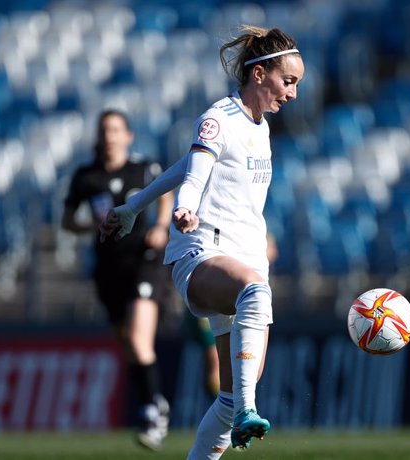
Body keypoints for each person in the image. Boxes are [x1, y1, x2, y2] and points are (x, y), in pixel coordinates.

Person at [99, 25, 304, 458]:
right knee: (254, 292)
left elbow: (183, 163)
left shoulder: (259, 126)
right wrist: (185, 206)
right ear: (260, 74)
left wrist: (134, 205)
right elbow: (194, 174)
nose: (294, 94)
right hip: (204, 252)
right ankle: (250, 408)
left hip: (246, 257)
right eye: (289, 81)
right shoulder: (218, 118)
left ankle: (231, 418)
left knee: (227, 399)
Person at [61, 109, 174, 451]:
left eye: (116, 129)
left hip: (144, 262)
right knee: (127, 344)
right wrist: (90, 226)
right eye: (104, 130)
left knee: (140, 341)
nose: (109, 136)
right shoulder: (86, 176)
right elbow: (68, 221)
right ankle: (154, 400)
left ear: (128, 136)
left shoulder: (143, 168)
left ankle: (152, 413)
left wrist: (160, 226)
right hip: (108, 268)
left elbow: (166, 193)